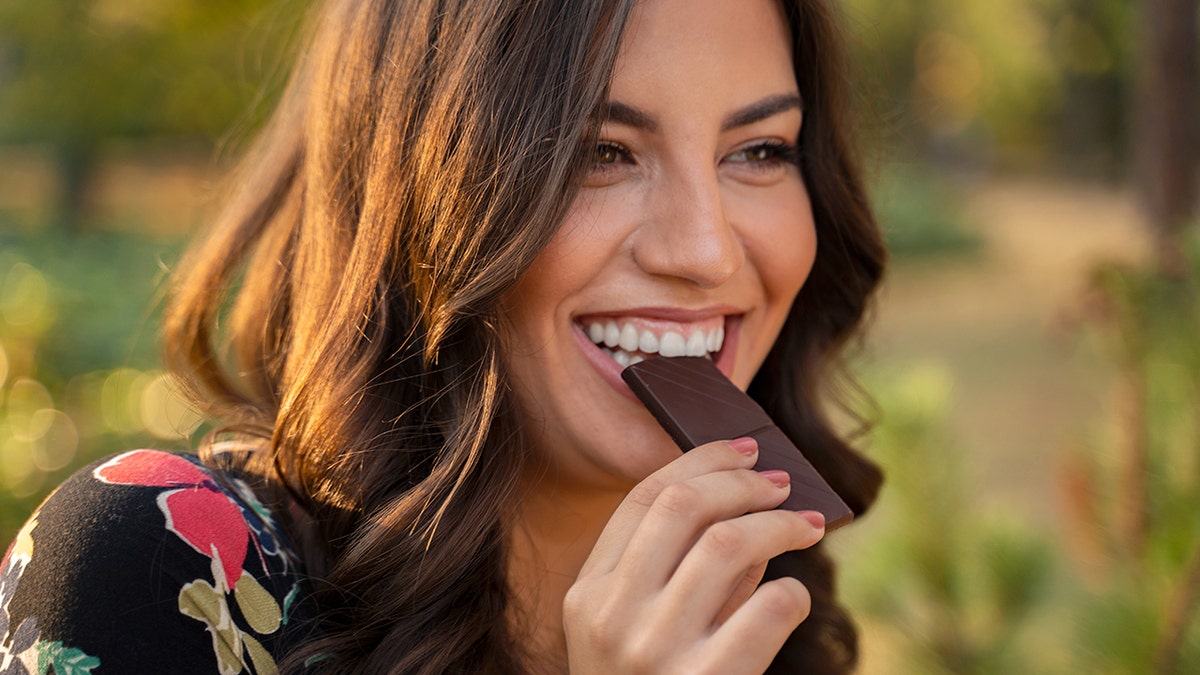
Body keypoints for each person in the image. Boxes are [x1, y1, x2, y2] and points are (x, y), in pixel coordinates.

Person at [0, 0, 885, 672]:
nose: (704, 249)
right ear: (416, 192)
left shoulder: (762, 612)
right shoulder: (155, 571)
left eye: (761, 150)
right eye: (597, 152)